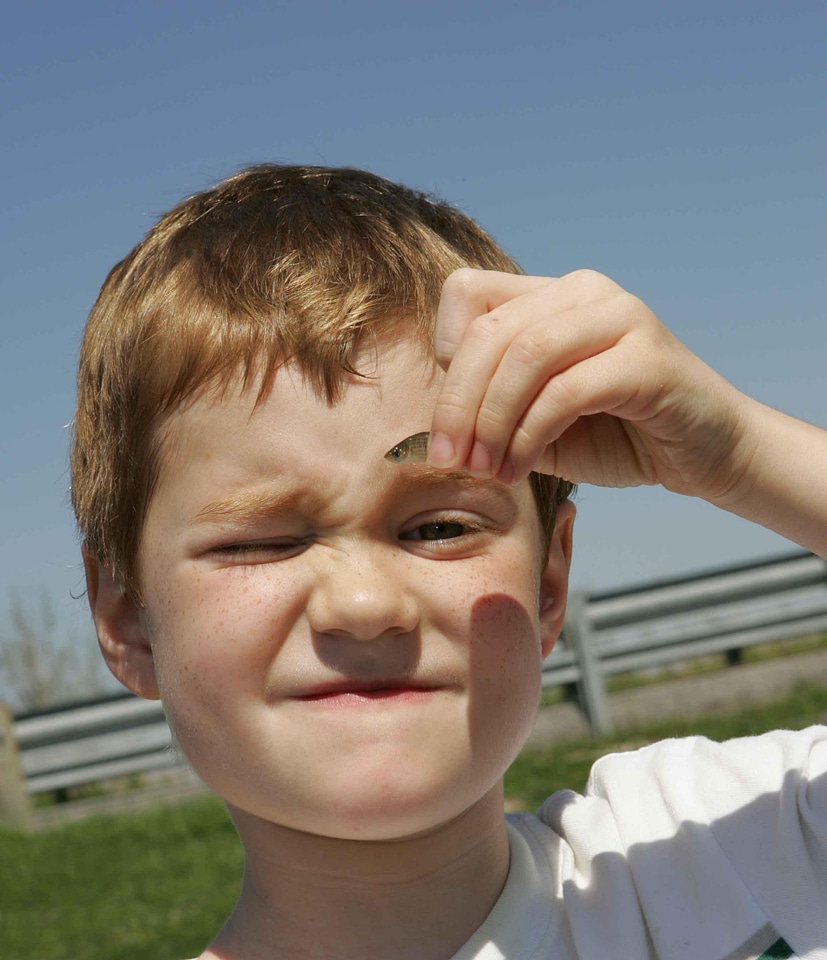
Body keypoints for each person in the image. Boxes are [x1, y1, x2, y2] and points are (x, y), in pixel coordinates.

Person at [72, 165, 827, 960]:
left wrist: (739, 452)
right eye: (261, 541)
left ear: (548, 583)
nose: (365, 604)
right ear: (127, 617)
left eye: (437, 528)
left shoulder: (732, 852)